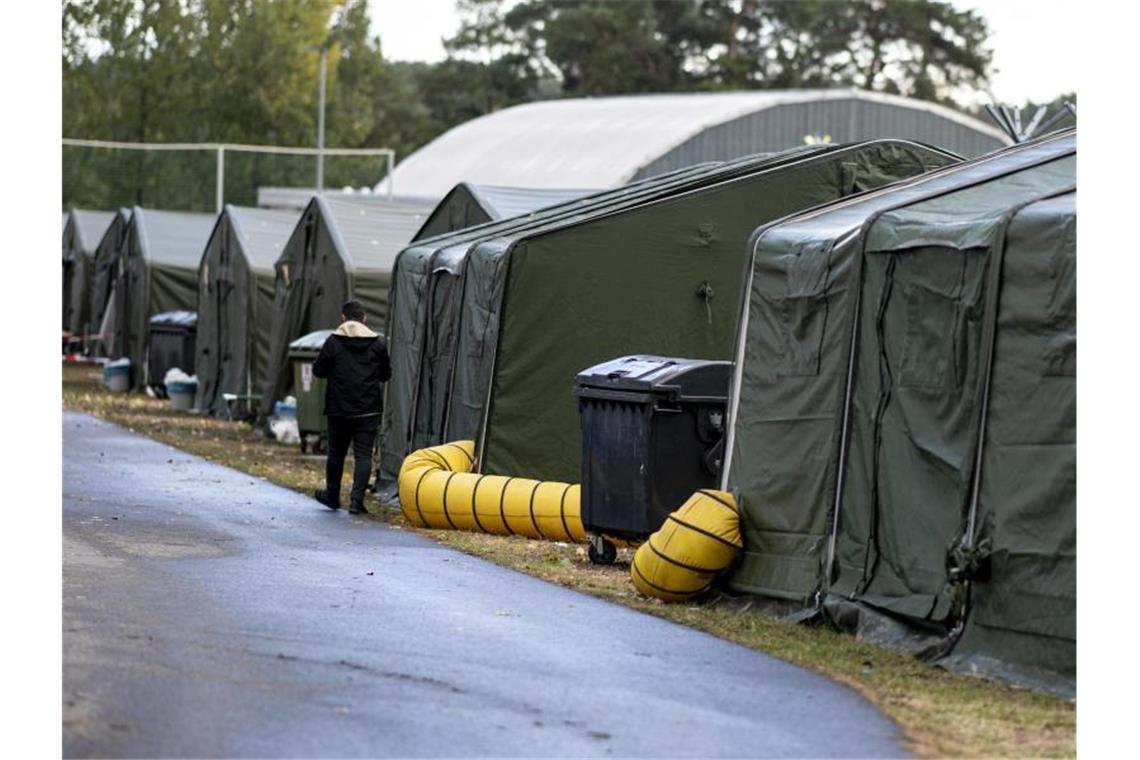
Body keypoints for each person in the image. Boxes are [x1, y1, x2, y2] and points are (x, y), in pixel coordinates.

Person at [311, 300, 391, 514]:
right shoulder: (378, 343)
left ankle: (332, 495)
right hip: (368, 408)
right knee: (363, 454)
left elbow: (318, 370)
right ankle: (356, 501)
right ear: (364, 319)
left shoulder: (333, 342)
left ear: (343, 318)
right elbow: (386, 375)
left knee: (336, 452)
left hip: (338, 408)